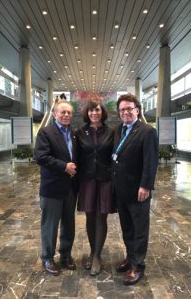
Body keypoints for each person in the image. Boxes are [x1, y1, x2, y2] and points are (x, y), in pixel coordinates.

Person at [112, 93, 158, 285]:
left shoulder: (147, 131)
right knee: (127, 228)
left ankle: (138, 266)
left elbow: (150, 162)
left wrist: (145, 186)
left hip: (139, 191)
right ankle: (131, 258)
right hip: (121, 190)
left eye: (129, 109)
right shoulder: (118, 130)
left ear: (137, 110)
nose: (126, 112)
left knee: (139, 230)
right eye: (122, 109)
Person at [34, 100, 78, 276]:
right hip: (52, 188)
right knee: (50, 225)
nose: (66, 115)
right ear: (54, 114)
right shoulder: (46, 132)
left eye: (69, 113)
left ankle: (66, 255)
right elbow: (41, 156)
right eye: (63, 112)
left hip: (70, 188)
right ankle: (47, 258)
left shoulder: (74, 133)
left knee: (69, 224)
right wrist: (63, 166)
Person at [77, 99, 115, 276]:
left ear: (102, 112)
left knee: (101, 217)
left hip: (105, 180)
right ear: (87, 113)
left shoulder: (111, 132)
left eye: (97, 110)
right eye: (91, 111)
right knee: (89, 217)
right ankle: (92, 252)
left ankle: (98, 256)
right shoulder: (80, 132)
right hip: (86, 180)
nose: (94, 113)